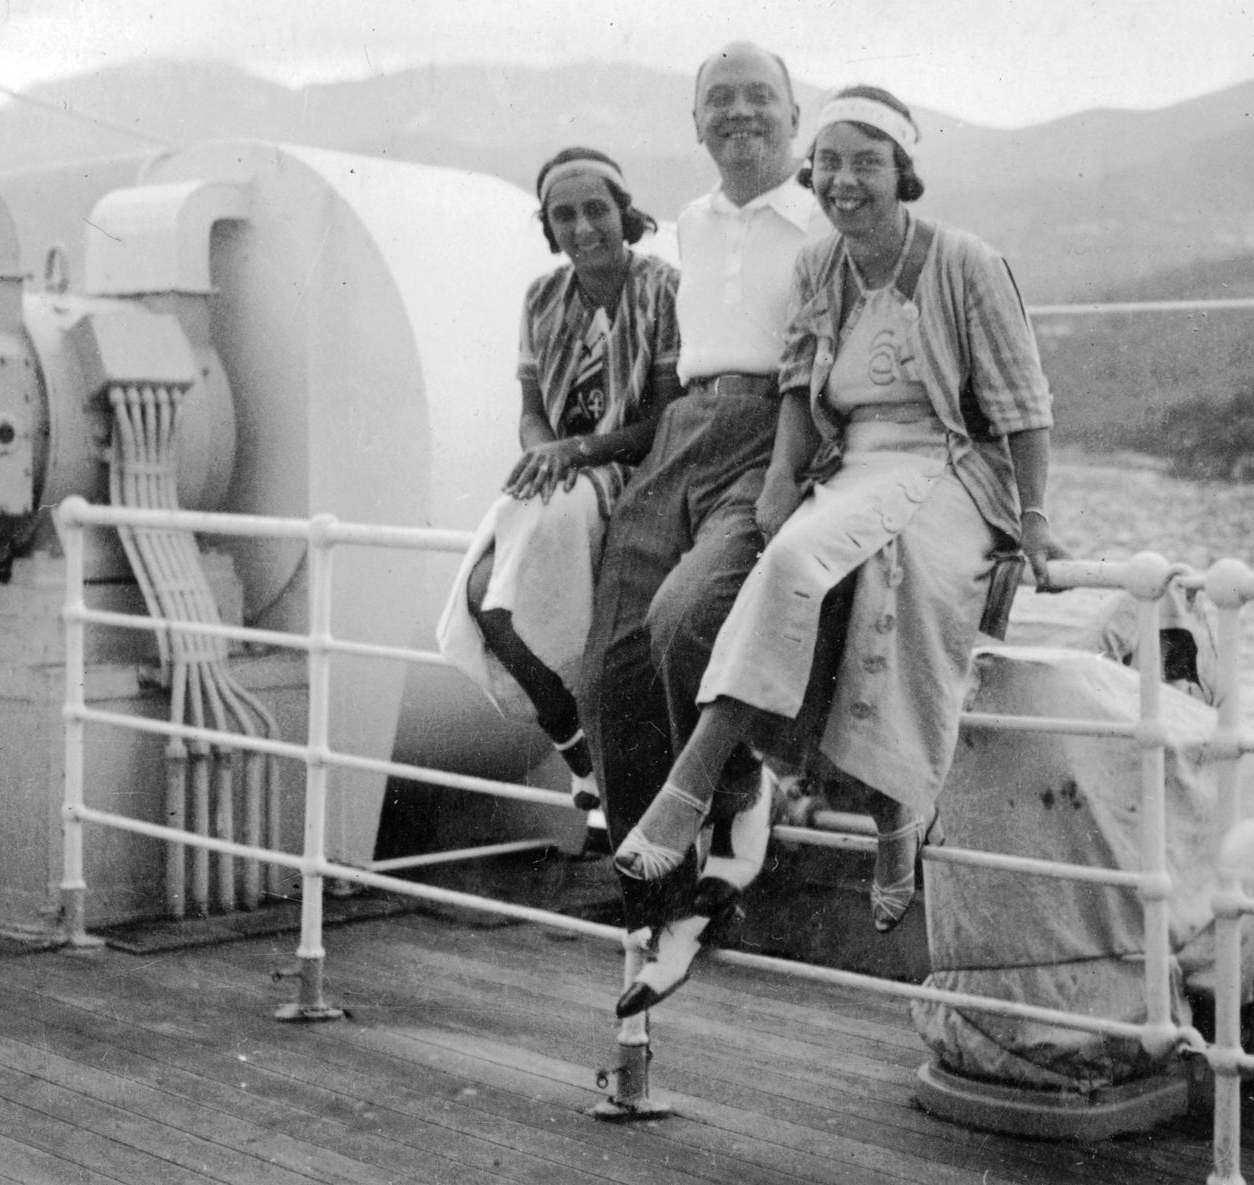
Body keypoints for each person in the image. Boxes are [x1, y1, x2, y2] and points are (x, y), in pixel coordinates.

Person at [615, 84, 1067, 941]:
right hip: (856, 462)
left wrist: (1035, 516)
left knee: (898, 581)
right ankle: (754, 795)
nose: (844, 181)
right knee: (792, 558)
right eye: (828, 163)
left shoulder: (965, 261)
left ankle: (847, 807)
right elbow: (797, 376)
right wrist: (783, 476)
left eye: (867, 162)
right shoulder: (821, 263)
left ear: (903, 172)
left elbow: (1024, 404)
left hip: (951, 466)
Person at [577, 44, 831, 1032]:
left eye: (757, 98)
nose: (737, 114)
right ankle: (665, 911)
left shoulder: (822, 220)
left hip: (774, 431)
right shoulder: (689, 221)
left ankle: (737, 789)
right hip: (685, 428)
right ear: (694, 124)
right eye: (716, 101)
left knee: (688, 620)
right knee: (609, 666)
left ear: (793, 115)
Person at [438, 148, 680, 812]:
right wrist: (545, 449)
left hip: (633, 469)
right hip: (560, 469)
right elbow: (531, 412)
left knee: (558, 606)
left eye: (595, 209)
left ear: (624, 215)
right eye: (563, 214)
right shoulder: (542, 296)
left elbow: (664, 419)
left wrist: (577, 451)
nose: (580, 228)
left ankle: (600, 760)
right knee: (487, 597)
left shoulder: (663, 289)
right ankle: (578, 752)